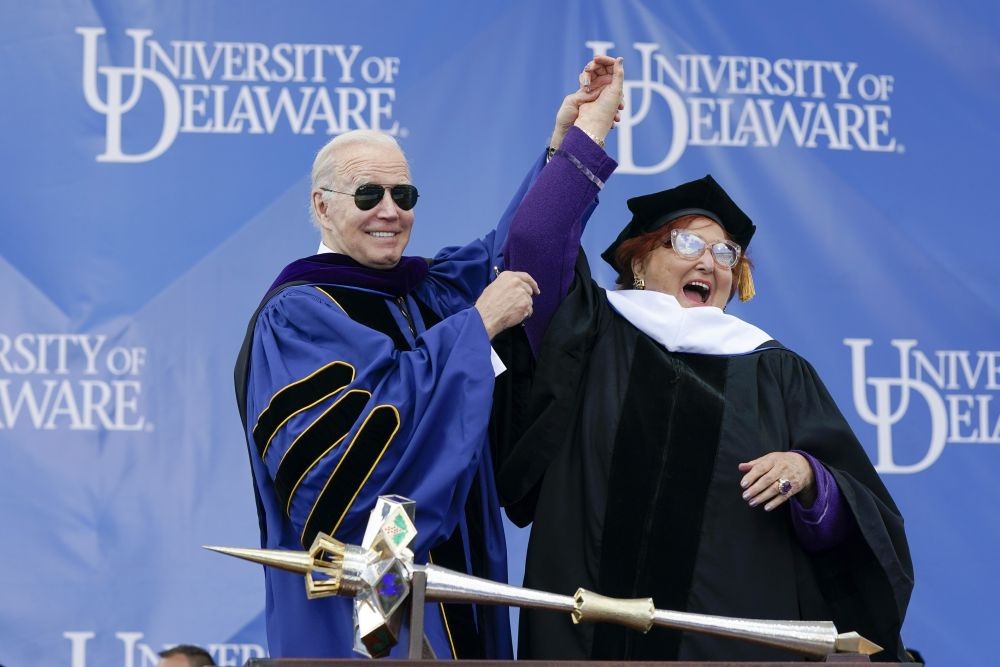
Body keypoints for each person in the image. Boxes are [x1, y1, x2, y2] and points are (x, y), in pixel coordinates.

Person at [234, 57, 624, 658]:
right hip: (367, 592)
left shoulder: (429, 289)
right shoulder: (299, 314)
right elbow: (344, 481)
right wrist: (479, 328)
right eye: (369, 193)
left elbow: (517, 251)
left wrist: (572, 142)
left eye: (403, 193)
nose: (390, 210)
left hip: (458, 580)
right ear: (321, 206)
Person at [497, 175, 914, 661]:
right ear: (637, 259)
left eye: (725, 254)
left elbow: (866, 520)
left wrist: (809, 476)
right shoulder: (585, 332)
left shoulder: (773, 372)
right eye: (687, 242)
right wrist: (583, 139)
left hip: (721, 646)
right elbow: (533, 242)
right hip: (582, 635)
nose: (707, 262)